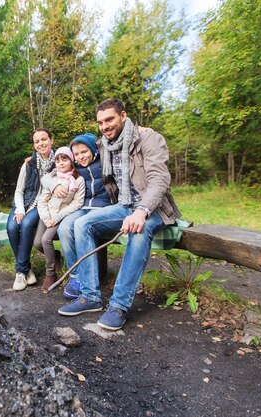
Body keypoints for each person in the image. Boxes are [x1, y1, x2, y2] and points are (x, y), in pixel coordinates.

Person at [57, 98, 181, 331]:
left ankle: (119, 306)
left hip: (153, 208)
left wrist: (141, 211)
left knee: (139, 231)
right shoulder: (104, 144)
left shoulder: (149, 138)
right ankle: (90, 296)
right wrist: (42, 166)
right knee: (82, 224)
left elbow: (159, 180)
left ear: (123, 116)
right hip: (124, 205)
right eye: (100, 122)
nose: (105, 126)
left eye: (109, 119)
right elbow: (78, 158)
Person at [42, 133, 115, 299]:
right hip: (82, 207)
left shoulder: (105, 161)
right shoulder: (74, 169)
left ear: (93, 150)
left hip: (103, 207)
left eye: (84, 152)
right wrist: (53, 185)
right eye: (77, 154)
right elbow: (47, 176)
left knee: (80, 225)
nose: (81, 157)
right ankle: (75, 275)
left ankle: (88, 276)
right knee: (65, 228)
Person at [7, 128, 55, 291]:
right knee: (12, 226)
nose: (41, 143)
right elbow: (19, 191)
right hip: (23, 203)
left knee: (27, 224)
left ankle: (20, 272)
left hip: (41, 205)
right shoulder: (28, 164)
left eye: (44, 139)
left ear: (51, 140)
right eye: (37, 141)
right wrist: (20, 209)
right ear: (34, 145)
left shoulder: (60, 161)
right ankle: (26, 269)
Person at [34, 146, 86, 291]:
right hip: (46, 215)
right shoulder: (52, 179)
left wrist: (57, 218)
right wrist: (46, 218)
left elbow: (78, 203)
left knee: (46, 239)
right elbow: (42, 200)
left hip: (61, 216)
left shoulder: (78, 180)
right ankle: (55, 255)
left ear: (71, 160)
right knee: (38, 243)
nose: (61, 163)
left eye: (64, 159)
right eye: (57, 160)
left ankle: (50, 274)